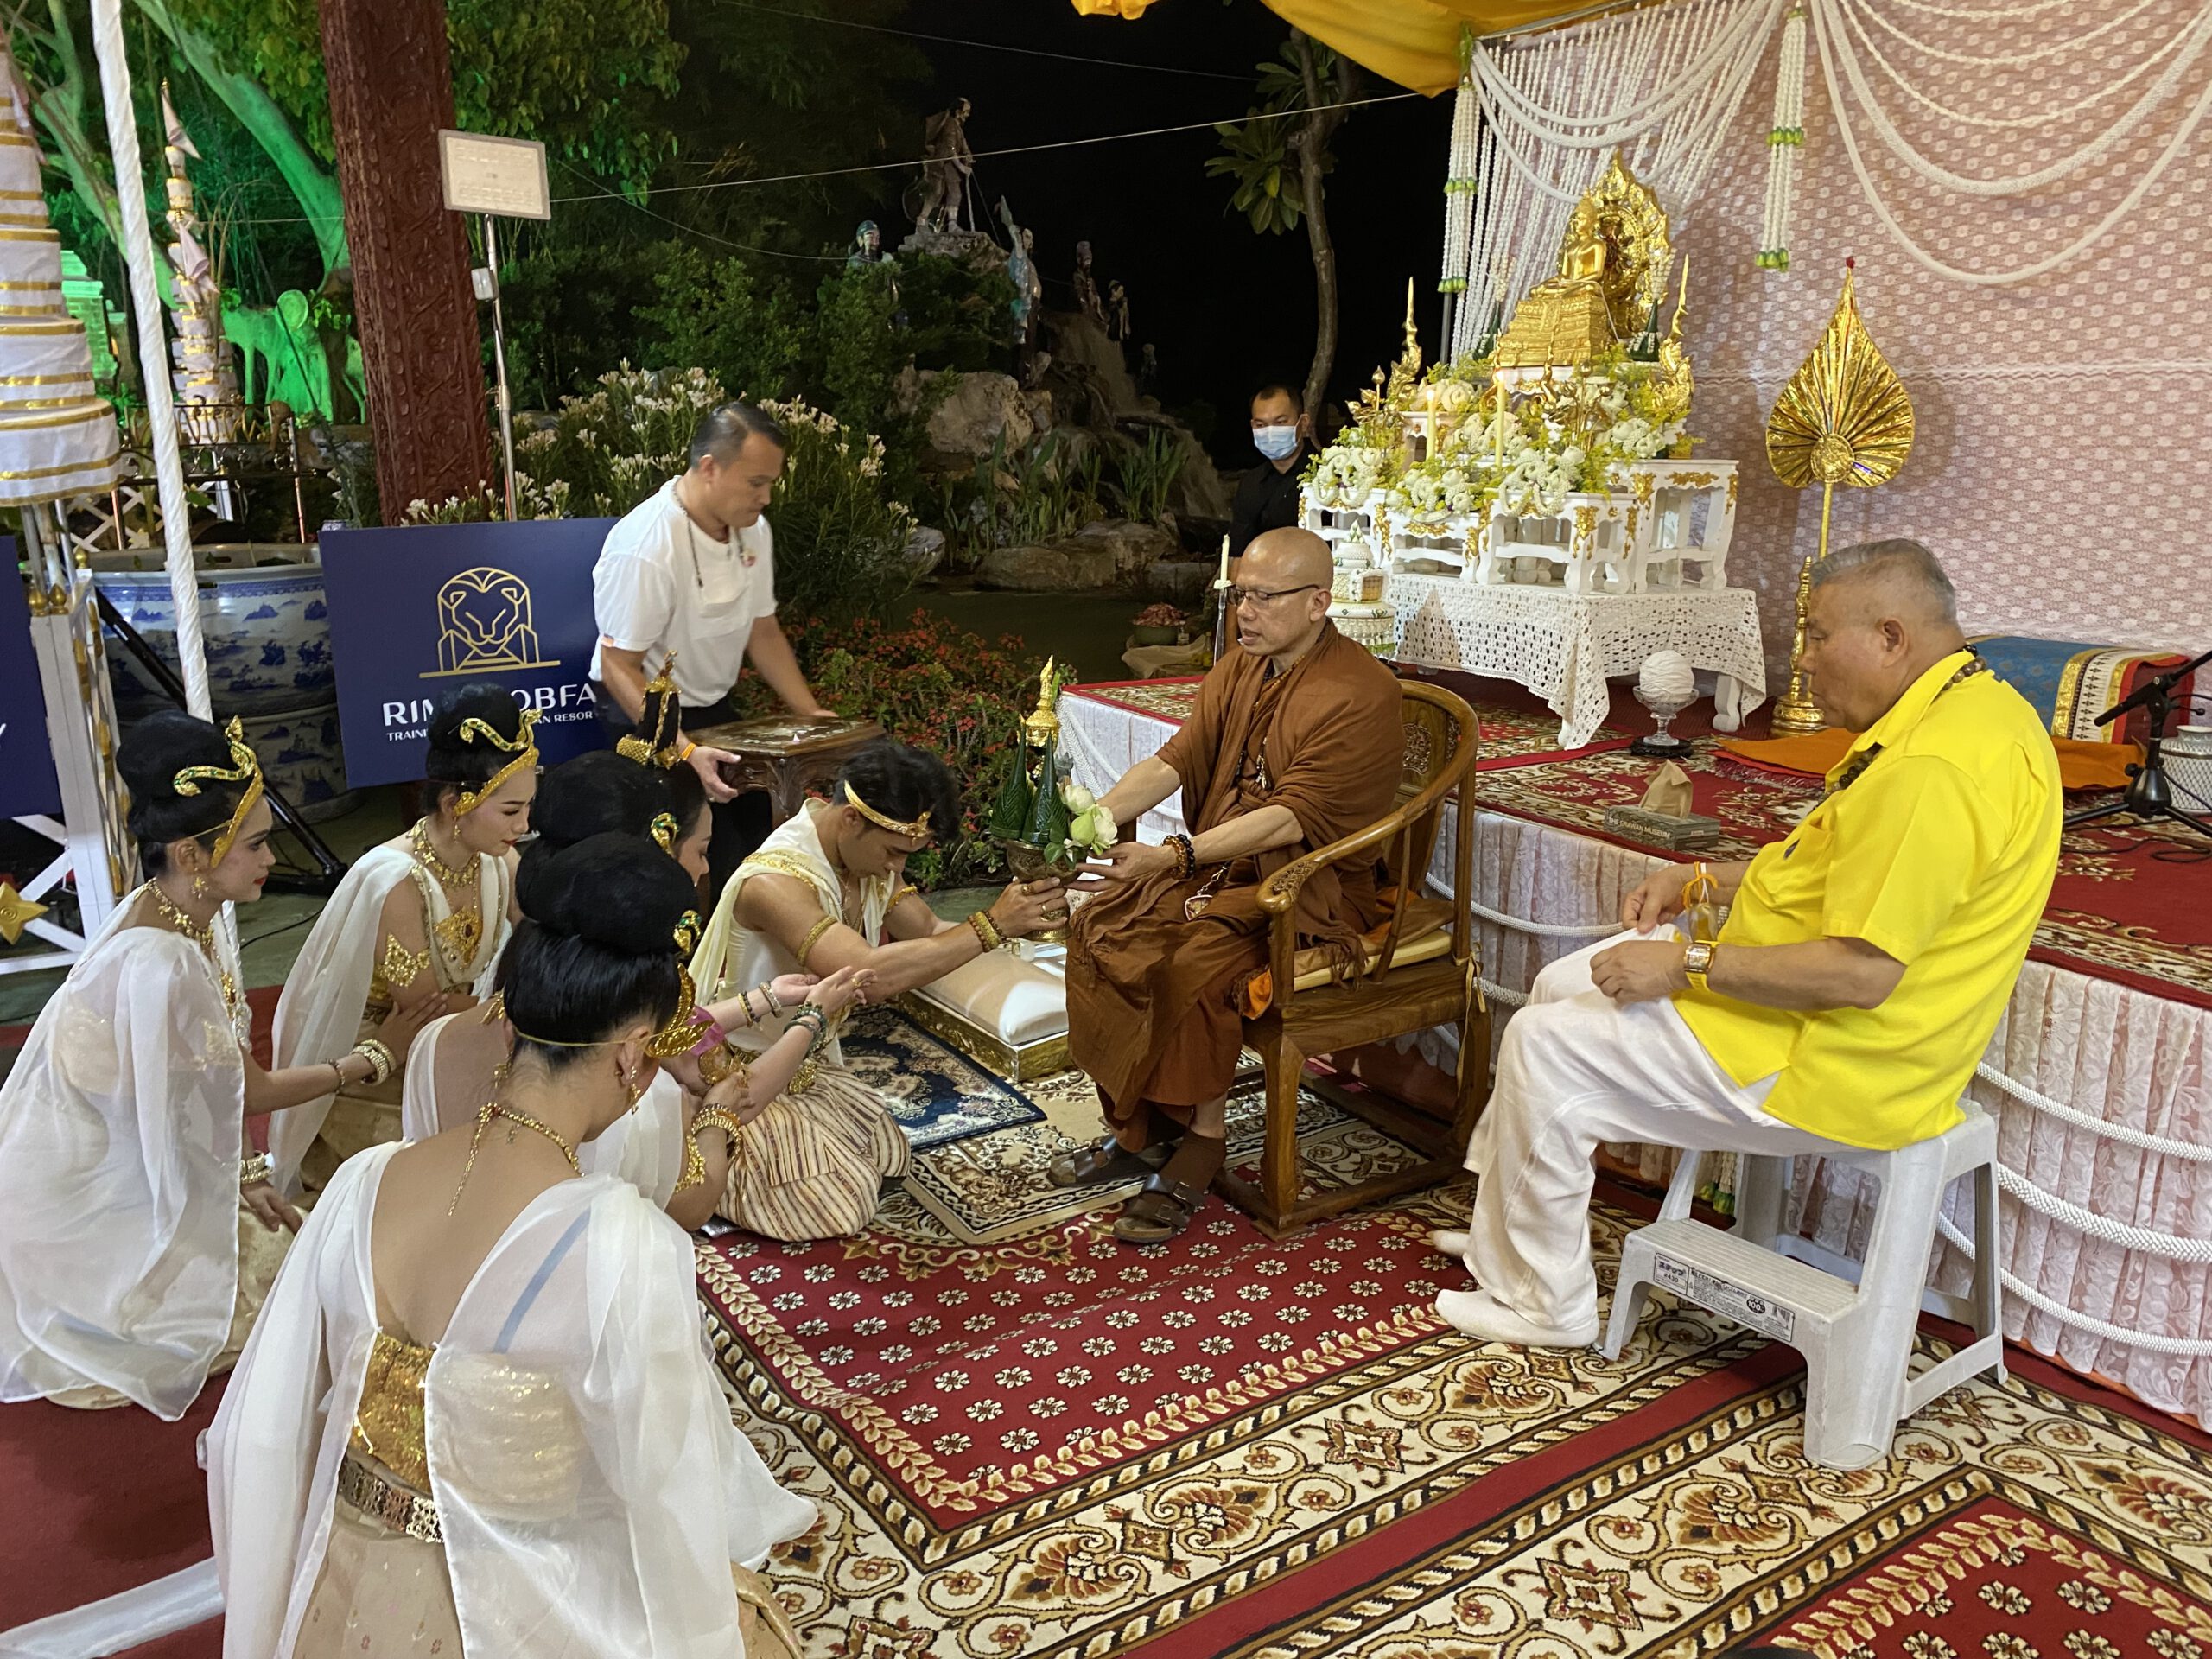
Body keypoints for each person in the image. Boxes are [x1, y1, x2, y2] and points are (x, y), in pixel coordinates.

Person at [1433, 541, 2061, 1348]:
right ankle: (1506, 1238)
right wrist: (1701, 881)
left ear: (1891, 637)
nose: (1804, 662)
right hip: (1822, 1021)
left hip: (1842, 1057)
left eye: (1818, 636)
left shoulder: (1933, 767)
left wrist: (1684, 964)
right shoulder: (1970, 708)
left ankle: (1546, 1306)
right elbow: (1828, 868)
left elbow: (1860, 974)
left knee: (1541, 1042)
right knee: (1564, 982)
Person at [209, 836, 817, 1656]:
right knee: (747, 1618)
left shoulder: (362, 1182)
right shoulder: (620, 1241)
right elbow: (662, 1495)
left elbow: (262, 1431)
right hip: (507, 1596)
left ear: (510, 1027)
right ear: (633, 1056)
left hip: (340, 1592)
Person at [0, 713, 435, 1417]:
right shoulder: (164, 958)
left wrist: (246, 1172)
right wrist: (372, 1057)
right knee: (302, 1272)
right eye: (255, 844)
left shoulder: (169, 912)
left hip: (132, 1158)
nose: (271, 858)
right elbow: (251, 1091)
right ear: (191, 854)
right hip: (101, 1200)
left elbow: (208, 1084)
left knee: (310, 1244)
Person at [1055, 528, 1402, 1243]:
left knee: (1192, 959)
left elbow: (1294, 817)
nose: (1244, 612)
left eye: (1264, 598)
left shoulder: (1359, 691)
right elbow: (1178, 757)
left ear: (1318, 603)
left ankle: (1204, 1140)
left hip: (1308, 885)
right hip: (1222, 863)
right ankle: (1142, 1124)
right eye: (1240, 594)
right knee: (1100, 925)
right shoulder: (1242, 666)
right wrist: (1094, 821)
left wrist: (1176, 855)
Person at [402, 744, 874, 1232]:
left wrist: (765, 999)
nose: (704, 870)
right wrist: (720, 1114)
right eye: (701, 852)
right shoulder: (642, 1099)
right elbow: (689, 1206)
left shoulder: (433, 1043)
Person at [690, 739, 1065, 1240]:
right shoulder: (775, 882)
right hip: (735, 1076)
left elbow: (927, 929)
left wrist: (1026, 936)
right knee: (838, 1207)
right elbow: (868, 975)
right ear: (852, 819)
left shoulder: (859, 859)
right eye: (893, 853)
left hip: (804, 1062)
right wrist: (992, 925)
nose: (896, 869)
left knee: (887, 1157)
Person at [270, 684, 536, 1198]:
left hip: (460, 1036)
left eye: (528, 808)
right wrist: (525, 1010)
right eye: (510, 811)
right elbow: (423, 1012)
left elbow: (536, 933)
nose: (524, 826)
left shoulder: (499, 860)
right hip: (380, 1061)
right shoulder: (397, 882)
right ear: (455, 804)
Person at [589, 401, 832, 901]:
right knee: (705, 847)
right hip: (640, 711)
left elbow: (763, 631)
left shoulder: (754, 529)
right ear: (709, 468)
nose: (766, 498)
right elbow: (618, 666)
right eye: (756, 483)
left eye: (772, 483)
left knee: (761, 831)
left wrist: (811, 717)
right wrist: (684, 752)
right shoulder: (647, 545)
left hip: (713, 705)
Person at [1229, 384, 1317, 559]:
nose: (1270, 432)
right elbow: (1237, 552)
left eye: (1281, 422)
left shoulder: (1330, 475)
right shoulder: (1251, 484)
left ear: (1303, 423)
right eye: (1261, 425)